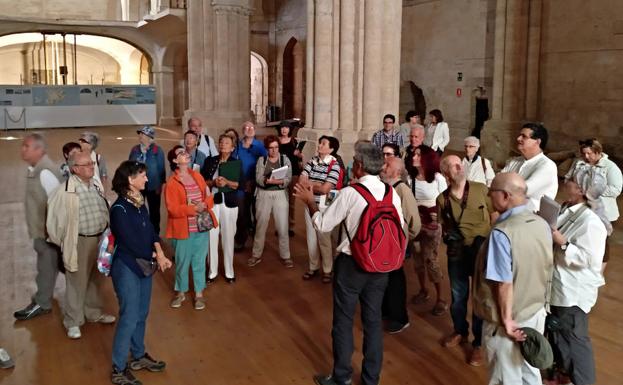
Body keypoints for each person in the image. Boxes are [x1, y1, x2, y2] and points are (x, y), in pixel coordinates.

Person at [293, 142, 404, 385]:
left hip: (352, 265)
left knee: (343, 321)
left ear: (361, 167)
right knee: (373, 322)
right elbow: (401, 228)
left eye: (355, 161)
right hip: (380, 266)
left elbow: (322, 225)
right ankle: (370, 379)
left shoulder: (351, 193)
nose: (353, 165)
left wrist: (309, 201)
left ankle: (341, 377)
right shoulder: (390, 193)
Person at [473, 172, 553, 385]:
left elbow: (503, 283)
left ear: (506, 196)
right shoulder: (541, 224)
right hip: (535, 311)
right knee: (528, 369)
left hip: (509, 319)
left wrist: (507, 321)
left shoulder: (502, 233)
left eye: (492, 193)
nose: (490, 197)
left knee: (504, 376)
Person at [108, 161, 172, 385]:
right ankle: (118, 368)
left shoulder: (139, 202)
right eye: (142, 176)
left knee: (142, 314)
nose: (146, 179)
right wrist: (156, 256)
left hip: (145, 265)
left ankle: (137, 356)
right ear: (129, 180)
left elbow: (151, 231)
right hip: (127, 267)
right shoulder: (119, 209)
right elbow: (131, 242)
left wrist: (160, 252)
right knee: (129, 317)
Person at [547, 169, 609, 385]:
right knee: (559, 335)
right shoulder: (568, 208)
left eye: (572, 179)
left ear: (582, 189)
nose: (566, 180)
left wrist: (562, 242)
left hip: (573, 292)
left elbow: (588, 259)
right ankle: (565, 376)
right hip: (559, 286)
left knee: (575, 343)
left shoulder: (591, 222)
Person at [47, 151, 116, 339]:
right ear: (74, 169)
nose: (91, 167)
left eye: (91, 164)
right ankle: (73, 321)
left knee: (96, 278)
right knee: (76, 282)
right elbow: (54, 223)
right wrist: (64, 243)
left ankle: (92, 312)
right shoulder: (65, 191)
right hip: (79, 241)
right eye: (85, 165)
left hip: (99, 239)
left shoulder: (95, 185)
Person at [437, 155, 494, 366]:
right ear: (445, 174)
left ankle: (478, 343)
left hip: (481, 252)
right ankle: (460, 330)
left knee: (479, 297)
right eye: (452, 165)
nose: (459, 166)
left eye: (458, 163)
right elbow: (444, 225)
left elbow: (494, 214)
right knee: (458, 295)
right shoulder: (441, 199)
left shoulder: (480, 189)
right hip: (458, 254)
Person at [14, 133, 62, 321]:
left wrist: (50, 234)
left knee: (46, 267)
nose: (23, 149)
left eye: (27, 146)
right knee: (47, 266)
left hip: (48, 234)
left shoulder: (45, 172)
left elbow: (58, 205)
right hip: (41, 232)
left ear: (40, 150)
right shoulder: (35, 170)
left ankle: (42, 303)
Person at [164, 145, 213, 309]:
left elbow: (209, 196)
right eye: (180, 153)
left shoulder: (197, 176)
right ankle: (181, 292)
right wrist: (193, 209)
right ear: (174, 160)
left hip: (200, 227)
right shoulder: (171, 183)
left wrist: (204, 204)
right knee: (182, 262)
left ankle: (199, 293)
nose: (185, 154)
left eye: (185, 152)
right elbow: (172, 209)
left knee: (199, 261)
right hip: (182, 230)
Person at [564, 138, 621, 269]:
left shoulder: (610, 167)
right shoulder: (578, 162)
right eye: (583, 153)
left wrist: (592, 192)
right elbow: (568, 178)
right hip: (580, 205)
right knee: (581, 234)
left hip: (602, 209)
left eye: (589, 153)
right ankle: (581, 262)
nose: (586, 156)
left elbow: (616, 188)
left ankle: (599, 270)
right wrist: (574, 189)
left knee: (602, 240)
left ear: (597, 152)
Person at [380, 157, 421, 333]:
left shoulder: (402, 189)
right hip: (384, 243)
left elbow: (414, 222)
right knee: (384, 279)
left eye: (387, 165)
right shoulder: (384, 187)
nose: (383, 167)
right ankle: (386, 311)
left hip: (396, 244)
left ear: (397, 171)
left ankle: (399, 317)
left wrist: (403, 239)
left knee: (395, 281)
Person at [406, 145, 447, 316]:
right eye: (414, 155)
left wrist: (439, 217)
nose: (414, 157)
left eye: (417, 155)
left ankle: (441, 298)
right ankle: (423, 289)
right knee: (417, 260)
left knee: (431, 260)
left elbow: (446, 202)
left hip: (432, 226)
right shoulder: (411, 178)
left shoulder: (437, 178)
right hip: (416, 224)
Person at [299, 135, 342, 283]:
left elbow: (325, 189)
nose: (320, 145)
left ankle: (327, 269)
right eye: (320, 143)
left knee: (324, 238)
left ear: (331, 149)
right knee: (311, 238)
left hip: (325, 207)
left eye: (323, 144)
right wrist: (316, 184)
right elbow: (301, 181)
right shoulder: (312, 161)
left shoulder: (335, 165)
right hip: (308, 202)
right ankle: (313, 267)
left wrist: (311, 184)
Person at [200, 134, 242, 283]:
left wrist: (227, 182)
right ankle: (212, 272)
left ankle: (229, 271)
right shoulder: (210, 161)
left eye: (226, 143)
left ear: (232, 147)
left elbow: (239, 184)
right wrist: (214, 183)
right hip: (213, 202)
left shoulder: (236, 163)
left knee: (228, 237)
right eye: (221, 142)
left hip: (229, 203)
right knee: (212, 236)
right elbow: (203, 181)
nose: (223, 144)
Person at [248, 135, 293, 268]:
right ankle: (256, 254)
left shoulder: (285, 159)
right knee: (261, 225)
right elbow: (258, 178)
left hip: (280, 194)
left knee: (282, 226)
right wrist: (266, 181)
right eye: (271, 148)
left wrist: (278, 182)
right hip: (264, 194)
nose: (274, 151)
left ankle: (286, 256)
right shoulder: (261, 160)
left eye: (276, 147)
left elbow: (288, 177)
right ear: (267, 149)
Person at [501, 122, 558, 211]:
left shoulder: (547, 165)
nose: (518, 138)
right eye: (520, 135)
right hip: (510, 211)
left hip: (531, 218)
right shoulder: (515, 161)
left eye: (524, 136)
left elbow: (523, 190)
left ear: (537, 142)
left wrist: (502, 187)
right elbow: (496, 180)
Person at [234, 121, 267, 250]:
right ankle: (241, 240)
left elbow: (266, 164)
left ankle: (258, 241)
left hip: (256, 184)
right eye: (246, 127)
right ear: (243, 130)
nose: (249, 129)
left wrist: (254, 181)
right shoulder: (237, 146)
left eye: (252, 127)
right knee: (241, 213)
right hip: (241, 185)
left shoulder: (260, 146)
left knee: (257, 212)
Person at [128, 125, 166, 235]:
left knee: (154, 211)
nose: (140, 136)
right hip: (137, 186)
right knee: (137, 209)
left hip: (153, 186)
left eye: (142, 134)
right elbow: (129, 166)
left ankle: (155, 234)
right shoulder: (135, 149)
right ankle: (139, 232)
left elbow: (161, 169)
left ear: (149, 137)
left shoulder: (157, 150)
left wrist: (160, 185)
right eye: (140, 133)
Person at [277, 120, 303, 235]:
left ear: (290, 129)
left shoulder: (294, 141)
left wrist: (299, 155)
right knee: (280, 202)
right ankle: (280, 226)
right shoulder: (276, 141)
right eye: (282, 127)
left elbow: (300, 159)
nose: (284, 129)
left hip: (293, 174)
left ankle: (291, 226)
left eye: (286, 127)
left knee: (291, 202)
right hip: (279, 174)